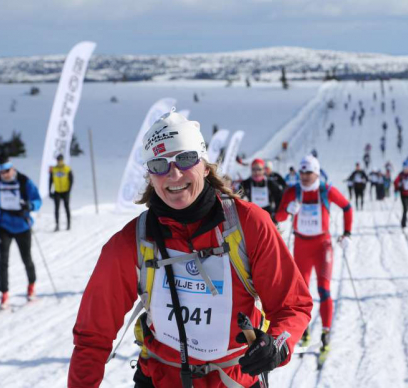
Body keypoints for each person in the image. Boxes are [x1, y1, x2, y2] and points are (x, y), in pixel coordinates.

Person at [68, 110, 312, 388]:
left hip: (234, 380)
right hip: (160, 380)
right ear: (150, 175)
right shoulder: (132, 242)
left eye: (185, 159)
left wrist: (277, 344)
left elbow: (292, 305)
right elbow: (92, 335)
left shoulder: (248, 225)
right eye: (159, 164)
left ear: (205, 166)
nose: (173, 174)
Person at [274, 155, 353, 363]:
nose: (306, 177)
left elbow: (347, 207)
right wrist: (287, 210)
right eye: (303, 173)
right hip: (301, 245)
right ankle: (304, 331)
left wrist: (347, 233)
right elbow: (279, 217)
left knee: (324, 289)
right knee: (302, 293)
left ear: (317, 173)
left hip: (322, 245)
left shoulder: (326, 190)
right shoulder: (293, 191)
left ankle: (326, 334)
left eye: (309, 173)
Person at [0, 155, 42, 309]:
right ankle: (4, 295)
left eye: (7, 170)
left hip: (23, 225)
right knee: (3, 261)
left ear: (12, 168)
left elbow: (38, 199)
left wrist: (30, 206)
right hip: (4, 225)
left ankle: (31, 287)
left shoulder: (24, 181)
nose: (4, 174)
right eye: (1, 172)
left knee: (27, 259)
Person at [49, 154, 73, 231]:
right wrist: (49, 191)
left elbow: (71, 180)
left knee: (66, 208)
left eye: (61, 160)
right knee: (56, 209)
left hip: (65, 191)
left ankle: (68, 224)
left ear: (63, 160)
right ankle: (57, 225)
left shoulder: (67, 169)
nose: (59, 162)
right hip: (57, 191)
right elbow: (50, 180)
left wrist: (69, 190)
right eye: (58, 160)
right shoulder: (54, 169)